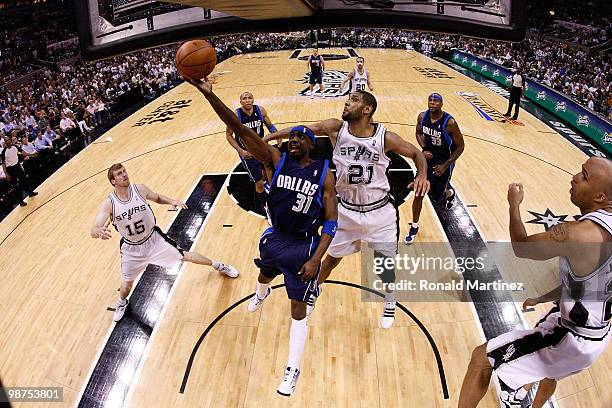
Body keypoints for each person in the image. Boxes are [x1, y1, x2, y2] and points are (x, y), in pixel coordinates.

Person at [189, 78, 338, 397]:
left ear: (310, 144)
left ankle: (292, 369)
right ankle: (261, 294)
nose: (295, 138)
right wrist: (209, 94)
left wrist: (316, 259)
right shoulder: (274, 158)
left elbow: (331, 222)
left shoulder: (324, 172)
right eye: (292, 135)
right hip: (275, 236)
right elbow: (239, 129)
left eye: (302, 136)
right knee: (263, 273)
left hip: (303, 246)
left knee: (298, 309)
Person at [265, 90, 430, 328]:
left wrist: (422, 174)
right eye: (348, 99)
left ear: (367, 109)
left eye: (353, 100)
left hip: (379, 212)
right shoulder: (335, 128)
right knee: (330, 258)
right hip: (346, 210)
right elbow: (302, 129)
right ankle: (314, 289)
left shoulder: (385, 138)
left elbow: (416, 153)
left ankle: (390, 300)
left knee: (384, 265)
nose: (346, 102)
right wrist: (270, 137)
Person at [458, 157, 612, 408]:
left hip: (572, 337)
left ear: (600, 197)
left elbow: (521, 247)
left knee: (480, 359)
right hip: (598, 332)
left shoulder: (577, 235)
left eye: (584, 176)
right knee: (550, 370)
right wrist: (543, 298)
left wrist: (514, 205)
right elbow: (590, 284)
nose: (574, 177)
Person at [90, 163, 239, 322]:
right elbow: (94, 229)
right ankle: (122, 302)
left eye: (124, 171)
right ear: (113, 181)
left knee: (184, 255)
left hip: (154, 240)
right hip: (131, 249)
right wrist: (97, 231)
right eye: (119, 174)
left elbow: (157, 197)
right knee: (126, 285)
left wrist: (172, 201)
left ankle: (218, 265)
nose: (124, 175)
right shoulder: (110, 203)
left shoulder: (139, 189)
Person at [404, 93, 465, 245]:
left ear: (441, 104)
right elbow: (418, 133)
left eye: (436, 100)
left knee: (437, 196)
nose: (432, 103)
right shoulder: (421, 117)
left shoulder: (449, 122)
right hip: (427, 160)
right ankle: (414, 226)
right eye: (430, 100)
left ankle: (450, 193)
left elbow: (461, 146)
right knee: (419, 192)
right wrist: (424, 148)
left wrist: (445, 165)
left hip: (444, 162)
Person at [225, 91, 277, 211]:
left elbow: (270, 126)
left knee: (267, 175)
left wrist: (276, 135)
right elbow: (229, 135)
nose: (247, 100)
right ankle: (265, 206)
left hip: (262, 149)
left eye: (250, 98)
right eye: (244, 98)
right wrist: (239, 150)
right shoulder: (236, 116)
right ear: (240, 102)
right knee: (258, 182)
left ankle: (269, 193)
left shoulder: (260, 110)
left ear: (253, 100)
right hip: (247, 153)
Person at [1, 136, 37, 206]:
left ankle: (30, 193)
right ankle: (20, 201)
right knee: (16, 186)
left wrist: (30, 154)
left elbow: (22, 152)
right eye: (6, 141)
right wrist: (6, 174)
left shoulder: (15, 147)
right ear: (5, 143)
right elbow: (3, 163)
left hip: (17, 166)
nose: (8, 141)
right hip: (10, 169)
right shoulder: (4, 152)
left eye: (9, 140)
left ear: (10, 140)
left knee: (24, 179)